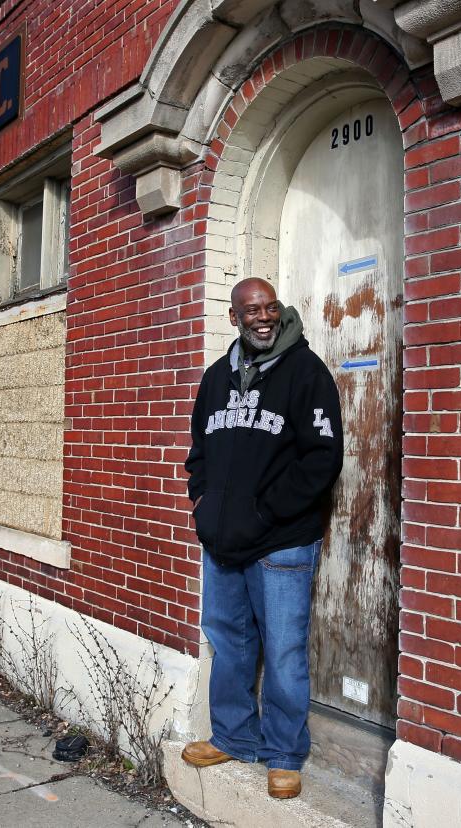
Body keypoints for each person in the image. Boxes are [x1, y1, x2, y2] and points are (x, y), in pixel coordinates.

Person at [181, 277, 344, 799]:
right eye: (252, 310)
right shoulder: (214, 379)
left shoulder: (306, 373)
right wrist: (203, 502)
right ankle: (233, 735)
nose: (263, 317)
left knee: (283, 650)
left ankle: (283, 754)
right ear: (234, 317)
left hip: (281, 542)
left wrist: (266, 511)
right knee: (228, 642)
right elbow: (199, 453)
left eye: (270, 307)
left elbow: (322, 459)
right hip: (223, 541)